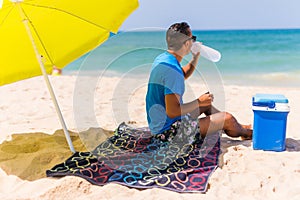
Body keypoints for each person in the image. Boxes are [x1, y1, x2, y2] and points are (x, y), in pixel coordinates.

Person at [145, 22, 252, 142]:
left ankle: (236, 127)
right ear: (186, 43)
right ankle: (246, 133)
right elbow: (172, 111)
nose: (193, 42)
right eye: (192, 39)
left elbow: (182, 74)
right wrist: (198, 102)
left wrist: (195, 58)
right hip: (168, 132)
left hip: (159, 125)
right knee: (227, 118)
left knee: (207, 105)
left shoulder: (164, 59)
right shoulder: (172, 71)